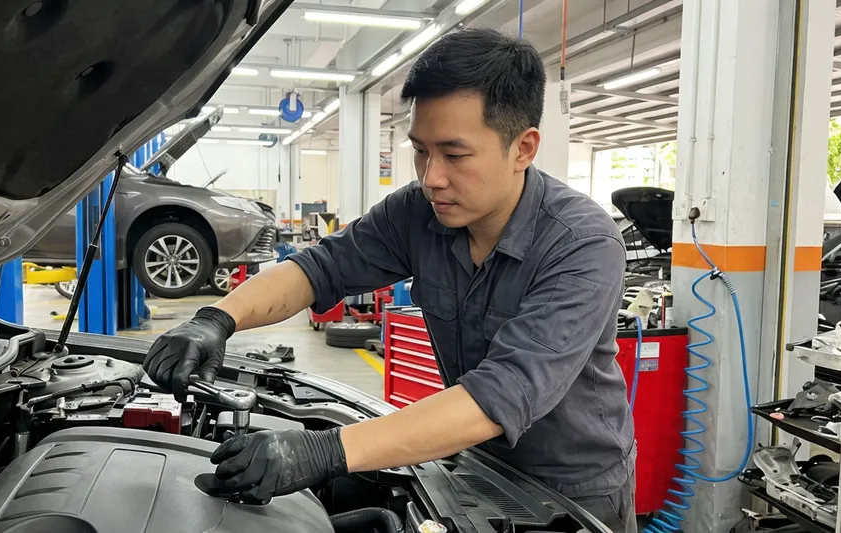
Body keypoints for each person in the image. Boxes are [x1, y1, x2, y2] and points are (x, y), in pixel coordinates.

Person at [143, 28, 636, 533]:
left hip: (573, 492)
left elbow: (502, 394)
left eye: (454, 154)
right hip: (474, 462)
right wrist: (216, 319)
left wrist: (325, 450)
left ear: (523, 148)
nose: (431, 177)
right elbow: (319, 268)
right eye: (420, 150)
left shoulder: (582, 244)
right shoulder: (418, 212)